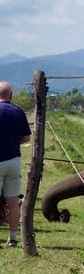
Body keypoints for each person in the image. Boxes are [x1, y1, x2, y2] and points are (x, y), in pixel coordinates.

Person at [0, 81, 32, 247]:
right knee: (13, 202)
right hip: (13, 161)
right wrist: (13, 142)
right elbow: (27, 137)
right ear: (10, 95)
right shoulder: (18, 111)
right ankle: (12, 238)